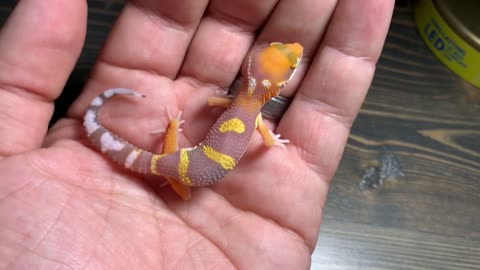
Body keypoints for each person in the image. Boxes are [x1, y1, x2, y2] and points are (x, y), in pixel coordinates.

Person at [0, 0, 394, 269]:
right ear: (277, 86)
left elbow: (212, 106)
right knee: (177, 181)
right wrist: (276, 141)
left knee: (169, 165)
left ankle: (115, 122)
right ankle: (128, 136)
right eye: (286, 55)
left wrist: (176, 126)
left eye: (285, 56)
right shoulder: (254, 112)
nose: (289, 49)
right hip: (179, 173)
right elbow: (266, 141)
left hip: (180, 160)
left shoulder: (240, 102)